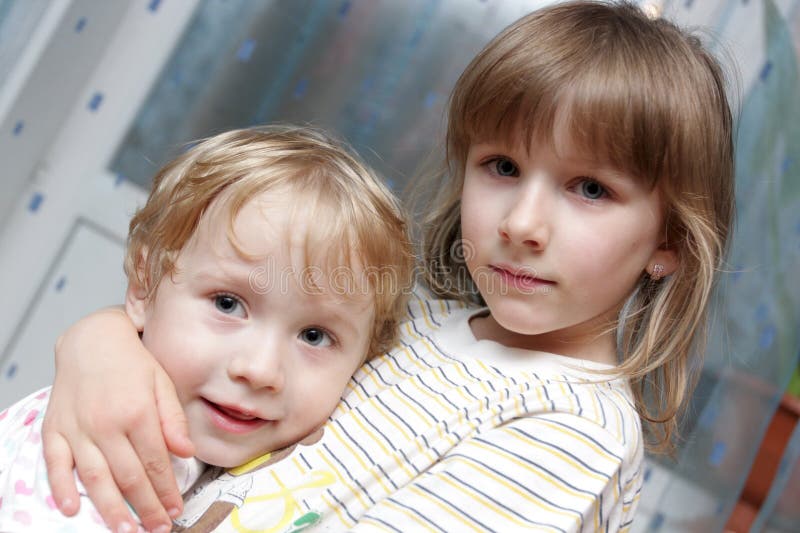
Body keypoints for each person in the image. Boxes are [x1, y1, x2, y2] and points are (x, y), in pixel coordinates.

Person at [39, 1, 736, 531]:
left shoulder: (575, 432)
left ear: (669, 239)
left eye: (590, 189)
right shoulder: (414, 318)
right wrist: (100, 343)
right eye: (502, 166)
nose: (522, 224)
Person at [0, 126, 414, 532]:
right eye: (227, 303)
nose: (260, 370)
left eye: (314, 336)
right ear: (145, 284)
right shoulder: (118, 437)